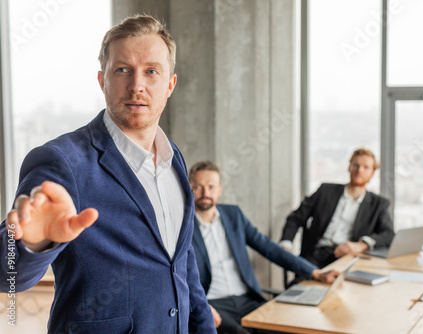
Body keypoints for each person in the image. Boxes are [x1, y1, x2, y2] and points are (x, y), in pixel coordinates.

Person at [0, 15, 216, 333]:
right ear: (103, 80)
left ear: (170, 84)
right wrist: (32, 242)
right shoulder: (61, 161)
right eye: (122, 70)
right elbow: (7, 275)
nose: (137, 85)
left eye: (151, 71)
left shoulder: (175, 158)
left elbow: (183, 264)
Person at [188, 161, 339, 334]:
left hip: (248, 300)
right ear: (188, 188)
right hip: (213, 303)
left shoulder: (233, 215)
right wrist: (201, 306)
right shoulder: (182, 225)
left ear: (220, 190)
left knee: (292, 328)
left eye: (211, 187)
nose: (205, 193)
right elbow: (177, 275)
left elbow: (269, 248)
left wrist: (315, 272)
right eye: (198, 187)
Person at [280, 148, 394, 269]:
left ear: (372, 173)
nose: (359, 170)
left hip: (348, 259)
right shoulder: (325, 191)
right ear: (349, 167)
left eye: (366, 167)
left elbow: (389, 235)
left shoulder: (378, 204)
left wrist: (361, 245)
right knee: (303, 286)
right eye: (356, 165)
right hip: (314, 256)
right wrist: (286, 244)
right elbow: (296, 218)